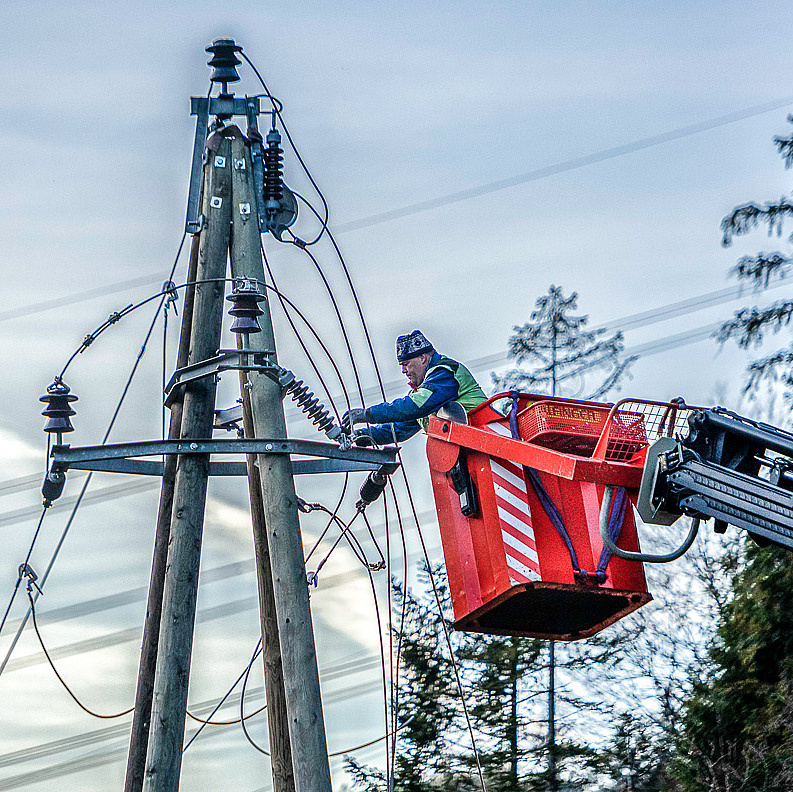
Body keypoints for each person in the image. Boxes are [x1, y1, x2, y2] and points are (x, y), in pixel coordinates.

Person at [343, 330, 487, 445]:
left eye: (406, 364)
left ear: (423, 358)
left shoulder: (445, 372)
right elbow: (399, 430)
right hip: (471, 450)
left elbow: (414, 406)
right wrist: (361, 435)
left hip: (488, 439)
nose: (403, 371)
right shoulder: (425, 393)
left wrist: (367, 414)